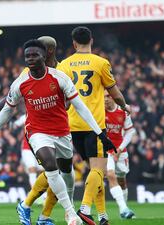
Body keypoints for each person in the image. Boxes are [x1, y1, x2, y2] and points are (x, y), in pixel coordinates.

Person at [0, 39, 116, 225]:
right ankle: (71, 213)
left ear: (45, 54)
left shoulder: (60, 76)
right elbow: (9, 108)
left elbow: (80, 107)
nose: (30, 59)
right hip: (37, 132)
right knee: (50, 165)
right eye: (27, 56)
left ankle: (39, 211)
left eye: (35, 54)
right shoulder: (21, 82)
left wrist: (100, 133)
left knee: (66, 172)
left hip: (62, 131)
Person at [55, 26, 130, 225]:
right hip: (94, 125)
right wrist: (125, 106)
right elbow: (115, 93)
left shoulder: (64, 65)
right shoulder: (100, 63)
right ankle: (85, 209)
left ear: (73, 43)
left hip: (72, 125)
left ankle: (103, 215)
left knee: (95, 172)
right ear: (92, 41)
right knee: (99, 170)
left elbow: (61, 96)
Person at [104, 90, 136, 219]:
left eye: (107, 96)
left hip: (120, 151)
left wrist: (120, 148)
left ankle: (125, 208)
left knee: (122, 180)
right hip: (106, 150)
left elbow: (130, 132)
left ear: (114, 97)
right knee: (111, 175)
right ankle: (123, 208)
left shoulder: (123, 111)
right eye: (103, 97)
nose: (105, 99)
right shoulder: (99, 110)